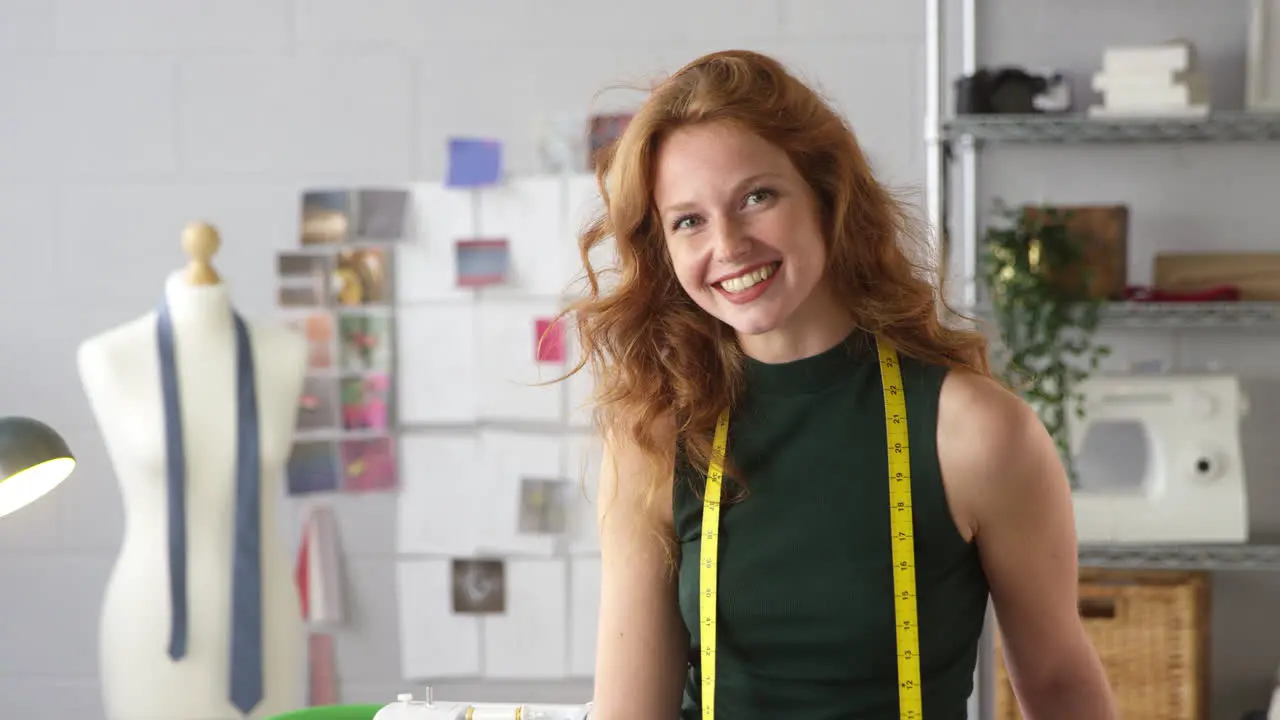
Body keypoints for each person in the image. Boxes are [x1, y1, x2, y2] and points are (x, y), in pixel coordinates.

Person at [560, 49, 1117, 719]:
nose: (728, 245)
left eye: (757, 197)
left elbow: (1059, 686)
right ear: (664, 248)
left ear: (827, 197)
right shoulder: (655, 438)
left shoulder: (973, 433)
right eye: (689, 220)